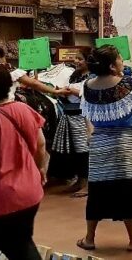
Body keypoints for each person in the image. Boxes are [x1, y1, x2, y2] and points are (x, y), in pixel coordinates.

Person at [76, 45, 132, 253]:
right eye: (120, 58)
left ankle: (89, 238)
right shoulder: (128, 84)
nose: (122, 61)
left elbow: (88, 115)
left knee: (97, 191)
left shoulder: (87, 86)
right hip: (124, 143)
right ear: (112, 66)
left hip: (99, 144)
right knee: (127, 189)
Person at [0, 66, 48, 260]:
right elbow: (41, 144)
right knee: (22, 244)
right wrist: (40, 169)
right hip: (29, 193)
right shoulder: (25, 109)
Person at [53, 52, 91, 197]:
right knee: (75, 151)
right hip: (69, 115)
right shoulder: (75, 75)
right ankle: (79, 180)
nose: (76, 61)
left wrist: (72, 91)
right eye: (76, 58)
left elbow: (89, 95)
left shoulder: (93, 77)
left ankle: (86, 183)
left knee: (83, 151)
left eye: (80, 59)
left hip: (82, 117)